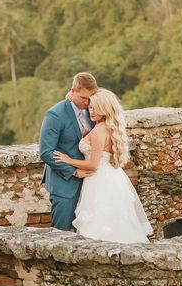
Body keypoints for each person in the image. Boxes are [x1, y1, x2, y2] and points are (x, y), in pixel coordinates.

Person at [54, 88, 153, 243]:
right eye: (90, 107)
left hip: (99, 181)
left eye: (96, 108)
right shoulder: (108, 127)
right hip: (112, 177)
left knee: (101, 223)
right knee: (115, 222)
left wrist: (68, 160)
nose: (91, 111)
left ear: (105, 109)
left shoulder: (100, 131)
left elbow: (93, 165)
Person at [39, 72, 98, 231]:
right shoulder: (55, 114)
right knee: (61, 233)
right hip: (64, 184)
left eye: (90, 98)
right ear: (73, 90)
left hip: (91, 183)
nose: (87, 102)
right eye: (83, 98)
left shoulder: (93, 109)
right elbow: (46, 152)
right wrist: (74, 172)